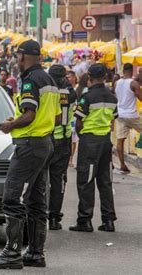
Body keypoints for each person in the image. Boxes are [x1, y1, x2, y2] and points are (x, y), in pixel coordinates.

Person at [0, 40, 60, 269]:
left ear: (24, 56)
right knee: (36, 201)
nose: (16, 61)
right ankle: (35, 253)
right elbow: (56, 118)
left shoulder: (30, 81)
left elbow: (29, 115)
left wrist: (11, 125)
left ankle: (12, 253)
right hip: (45, 143)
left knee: (12, 197)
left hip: (29, 145)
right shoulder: (50, 80)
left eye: (17, 56)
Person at [70, 64, 118, 233]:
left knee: (86, 181)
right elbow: (113, 120)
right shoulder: (112, 97)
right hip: (105, 142)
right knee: (105, 182)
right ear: (105, 77)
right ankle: (108, 220)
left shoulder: (87, 97)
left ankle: (85, 220)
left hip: (90, 142)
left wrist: (82, 136)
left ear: (89, 77)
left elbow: (79, 122)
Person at [47, 65, 77, 230]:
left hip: (47, 139)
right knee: (58, 180)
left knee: (40, 179)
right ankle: (54, 217)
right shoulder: (71, 94)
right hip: (63, 141)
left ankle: (38, 215)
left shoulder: (46, 92)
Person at [114, 63, 142, 174]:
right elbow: (140, 98)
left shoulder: (116, 83)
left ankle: (122, 165)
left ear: (123, 70)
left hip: (120, 115)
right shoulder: (133, 83)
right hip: (132, 116)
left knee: (120, 140)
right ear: (132, 71)